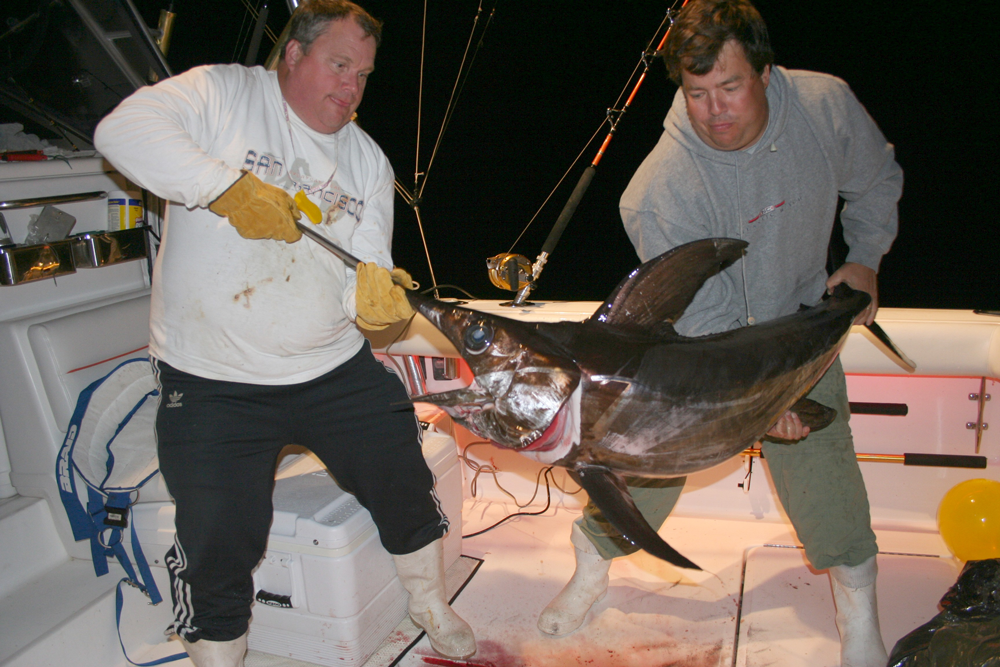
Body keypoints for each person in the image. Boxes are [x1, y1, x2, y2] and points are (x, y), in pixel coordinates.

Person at [93, 2, 477, 665]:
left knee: (401, 471)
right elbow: (119, 131)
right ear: (293, 55)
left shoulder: (365, 161)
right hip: (211, 377)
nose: (351, 86)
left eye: (362, 73)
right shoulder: (222, 94)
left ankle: (428, 600)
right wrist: (225, 188)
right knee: (217, 534)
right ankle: (218, 655)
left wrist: (378, 299)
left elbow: (367, 271)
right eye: (338, 64)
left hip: (330, 367)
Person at [537, 2, 902, 666]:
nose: (715, 111)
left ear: (765, 71)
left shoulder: (824, 108)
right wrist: (759, 406)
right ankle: (590, 570)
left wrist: (865, 260)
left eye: (730, 86)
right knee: (637, 466)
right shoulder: (659, 191)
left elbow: (877, 182)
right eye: (697, 93)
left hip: (800, 331)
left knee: (829, 485)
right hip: (698, 360)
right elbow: (704, 325)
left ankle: (859, 620)